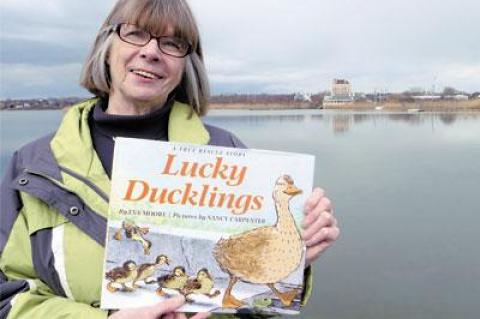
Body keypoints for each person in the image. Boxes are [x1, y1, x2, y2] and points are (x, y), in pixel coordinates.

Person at [0, 0, 340, 318]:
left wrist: (293, 262)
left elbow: (255, 311)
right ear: (107, 47)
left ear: (185, 65)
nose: (151, 52)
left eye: (173, 43)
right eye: (135, 33)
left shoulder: (228, 153)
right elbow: (5, 297)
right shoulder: (34, 165)